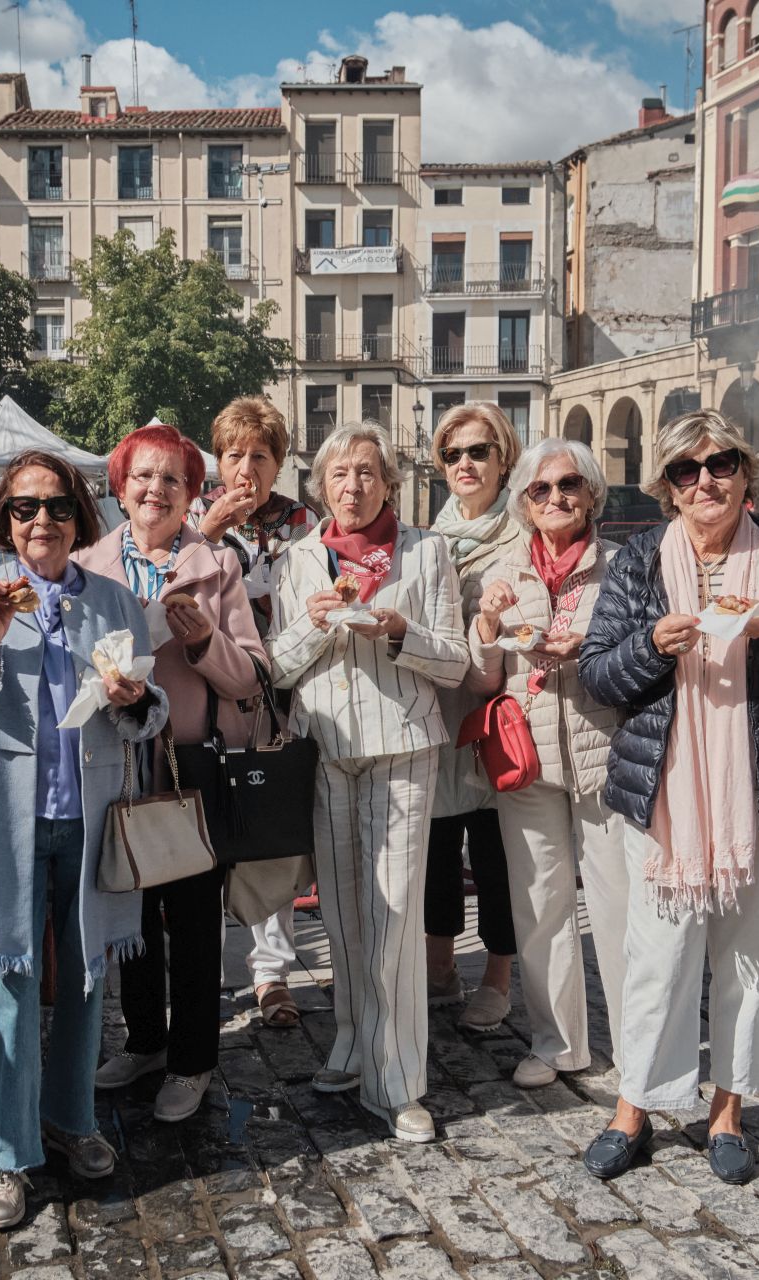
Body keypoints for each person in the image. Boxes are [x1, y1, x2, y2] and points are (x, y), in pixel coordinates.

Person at [579, 410, 759, 1185]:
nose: (706, 483)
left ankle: (729, 1110)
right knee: (655, 955)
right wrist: (650, 647)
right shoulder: (639, 561)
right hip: (664, 788)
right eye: (687, 472)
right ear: (668, 487)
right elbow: (598, 673)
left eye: (720, 464)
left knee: (750, 956)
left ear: (746, 471)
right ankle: (635, 1105)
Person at [0, 449, 166, 1230]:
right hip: (5, 820)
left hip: (88, 817)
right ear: (2, 519)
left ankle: (69, 1117)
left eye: (58, 506)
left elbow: (150, 715)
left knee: (89, 976)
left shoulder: (114, 601)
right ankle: (4, 1151)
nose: (42, 522)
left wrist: (135, 698)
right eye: (25, 508)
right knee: (11, 981)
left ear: (80, 515)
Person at [267, 421, 468, 1143]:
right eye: (339, 474)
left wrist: (397, 632)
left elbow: (454, 660)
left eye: (366, 472)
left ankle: (400, 1080)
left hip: (403, 750)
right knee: (347, 915)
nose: (352, 486)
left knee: (391, 920)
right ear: (320, 485)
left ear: (389, 481)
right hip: (326, 751)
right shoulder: (297, 562)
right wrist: (318, 626)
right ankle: (352, 1041)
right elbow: (277, 668)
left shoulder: (426, 552)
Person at [84, 424, 265, 1122]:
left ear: (192, 494)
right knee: (130, 914)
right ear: (120, 487)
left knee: (192, 919)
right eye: (143, 477)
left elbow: (252, 676)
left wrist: (202, 640)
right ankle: (145, 1041)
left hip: (188, 765)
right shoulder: (89, 566)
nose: (155, 489)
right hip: (112, 764)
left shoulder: (216, 566)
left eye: (172, 479)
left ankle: (192, 1059)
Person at [465, 438, 623, 1089]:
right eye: (541, 489)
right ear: (525, 503)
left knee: (619, 909)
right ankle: (557, 1044)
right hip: (527, 762)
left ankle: (638, 1047)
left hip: (605, 753)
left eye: (569, 485)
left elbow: (644, 661)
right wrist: (484, 626)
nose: (556, 498)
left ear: (591, 494)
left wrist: (591, 647)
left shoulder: (622, 568)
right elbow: (482, 680)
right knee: (540, 909)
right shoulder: (502, 571)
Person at [192, 395, 316, 1028]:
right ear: (218, 459)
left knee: (266, 832)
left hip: (279, 696)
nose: (246, 468)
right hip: (206, 696)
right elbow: (170, 585)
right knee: (204, 836)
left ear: (279, 462)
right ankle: (202, 972)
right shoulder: (193, 517)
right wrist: (211, 531)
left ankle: (271, 974)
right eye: (234, 454)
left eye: (260, 456)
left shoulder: (303, 522)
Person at [425, 402, 526, 1031]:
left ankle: (498, 975)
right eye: (453, 453)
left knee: (496, 852)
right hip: (438, 712)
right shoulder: (427, 539)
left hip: (497, 712)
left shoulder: (522, 534)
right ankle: (439, 967)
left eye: (478, 451)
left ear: (502, 458)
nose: (465, 463)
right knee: (435, 846)